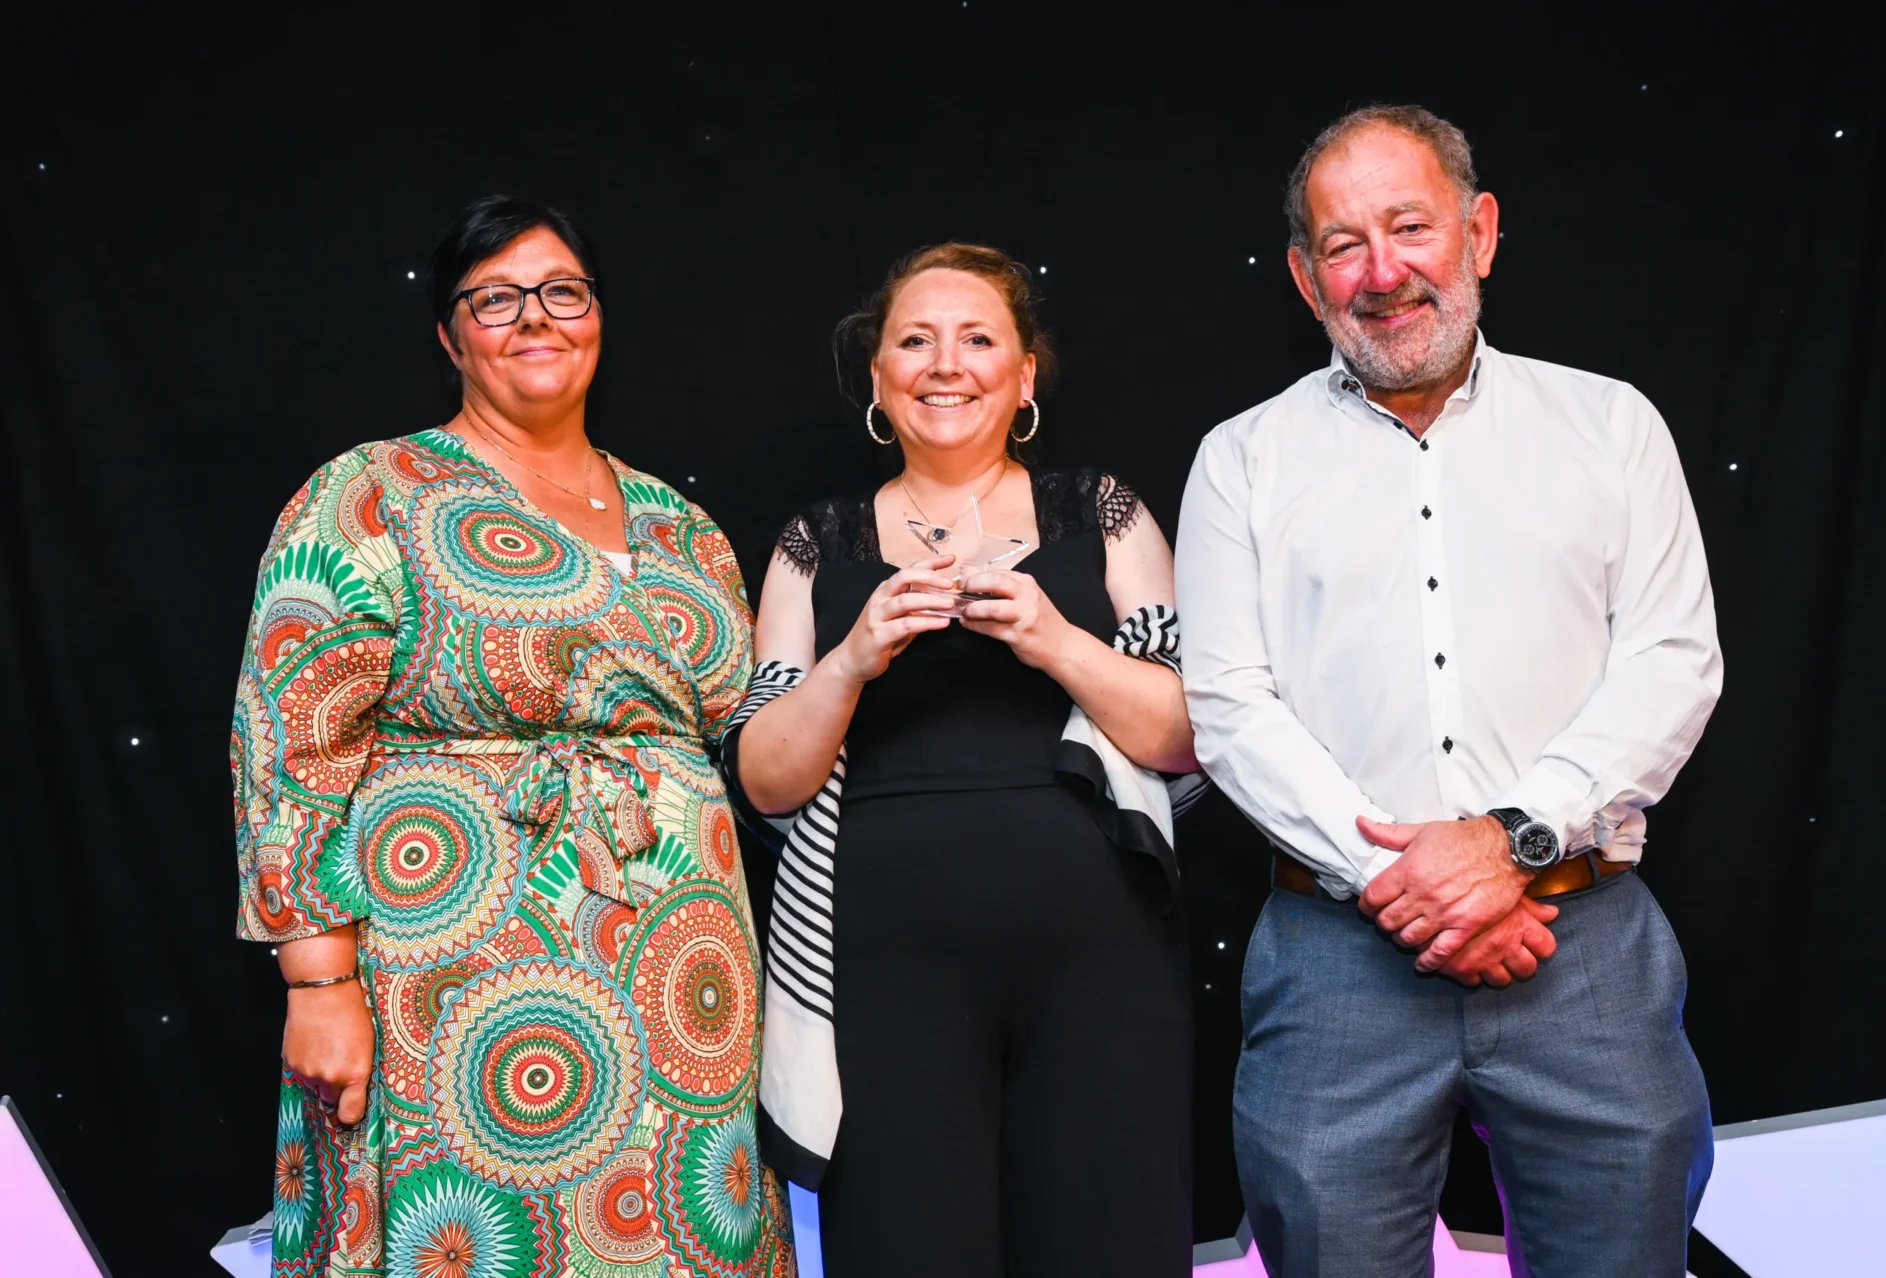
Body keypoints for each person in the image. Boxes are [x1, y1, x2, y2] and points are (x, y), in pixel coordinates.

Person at [1176, 106, 1722, 1277]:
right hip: (1336, 963)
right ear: (1303, 275)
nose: (1384, 273)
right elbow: (1227, 706)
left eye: (1411, 227)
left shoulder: (1611, 425)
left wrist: (1510, 841)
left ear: (1478, 231)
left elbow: (1673, 662)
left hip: (1584, 946)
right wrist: (1407, 880)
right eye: (1344, 244)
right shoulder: (1242, 459)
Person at [232, 195, 794, 1278]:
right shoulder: (373, 491)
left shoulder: (681, 523)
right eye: (495, 299)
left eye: (563, 292)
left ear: (598, 316)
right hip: (457, 976)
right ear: (449, 335)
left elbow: (750, 731)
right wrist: (316, 984)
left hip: (684, 984)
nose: (535, 317)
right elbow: (287, 742)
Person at [728, 244, 1201, 1277]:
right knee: (907, 1247)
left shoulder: (1103, 513)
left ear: (1024, 376)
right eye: (916, 341)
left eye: (979, 339)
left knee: (1108, 1240)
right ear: (878, 378)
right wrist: (851, 661)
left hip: (1101, 959)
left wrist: (1052, 639)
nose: (948, 364)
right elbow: (764, 779)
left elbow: (1185, 735)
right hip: (885, 969)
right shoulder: (817, 541)